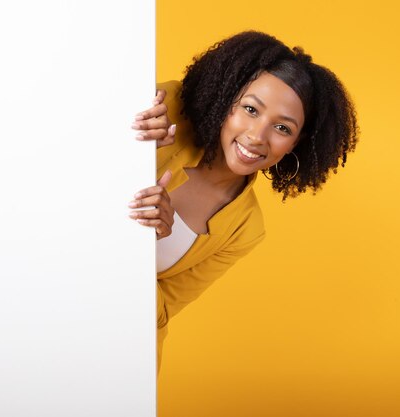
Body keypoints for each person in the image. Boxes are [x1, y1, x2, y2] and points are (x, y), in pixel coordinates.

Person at [127, 31, 358, 370]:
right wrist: (126, 139)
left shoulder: (245, 229)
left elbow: (158, 313)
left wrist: (141, 243)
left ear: (295, 143)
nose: (256, 136)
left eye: (282, 128)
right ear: (227, 99)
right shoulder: (168, 111)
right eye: (250, 109)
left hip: (122, 355)